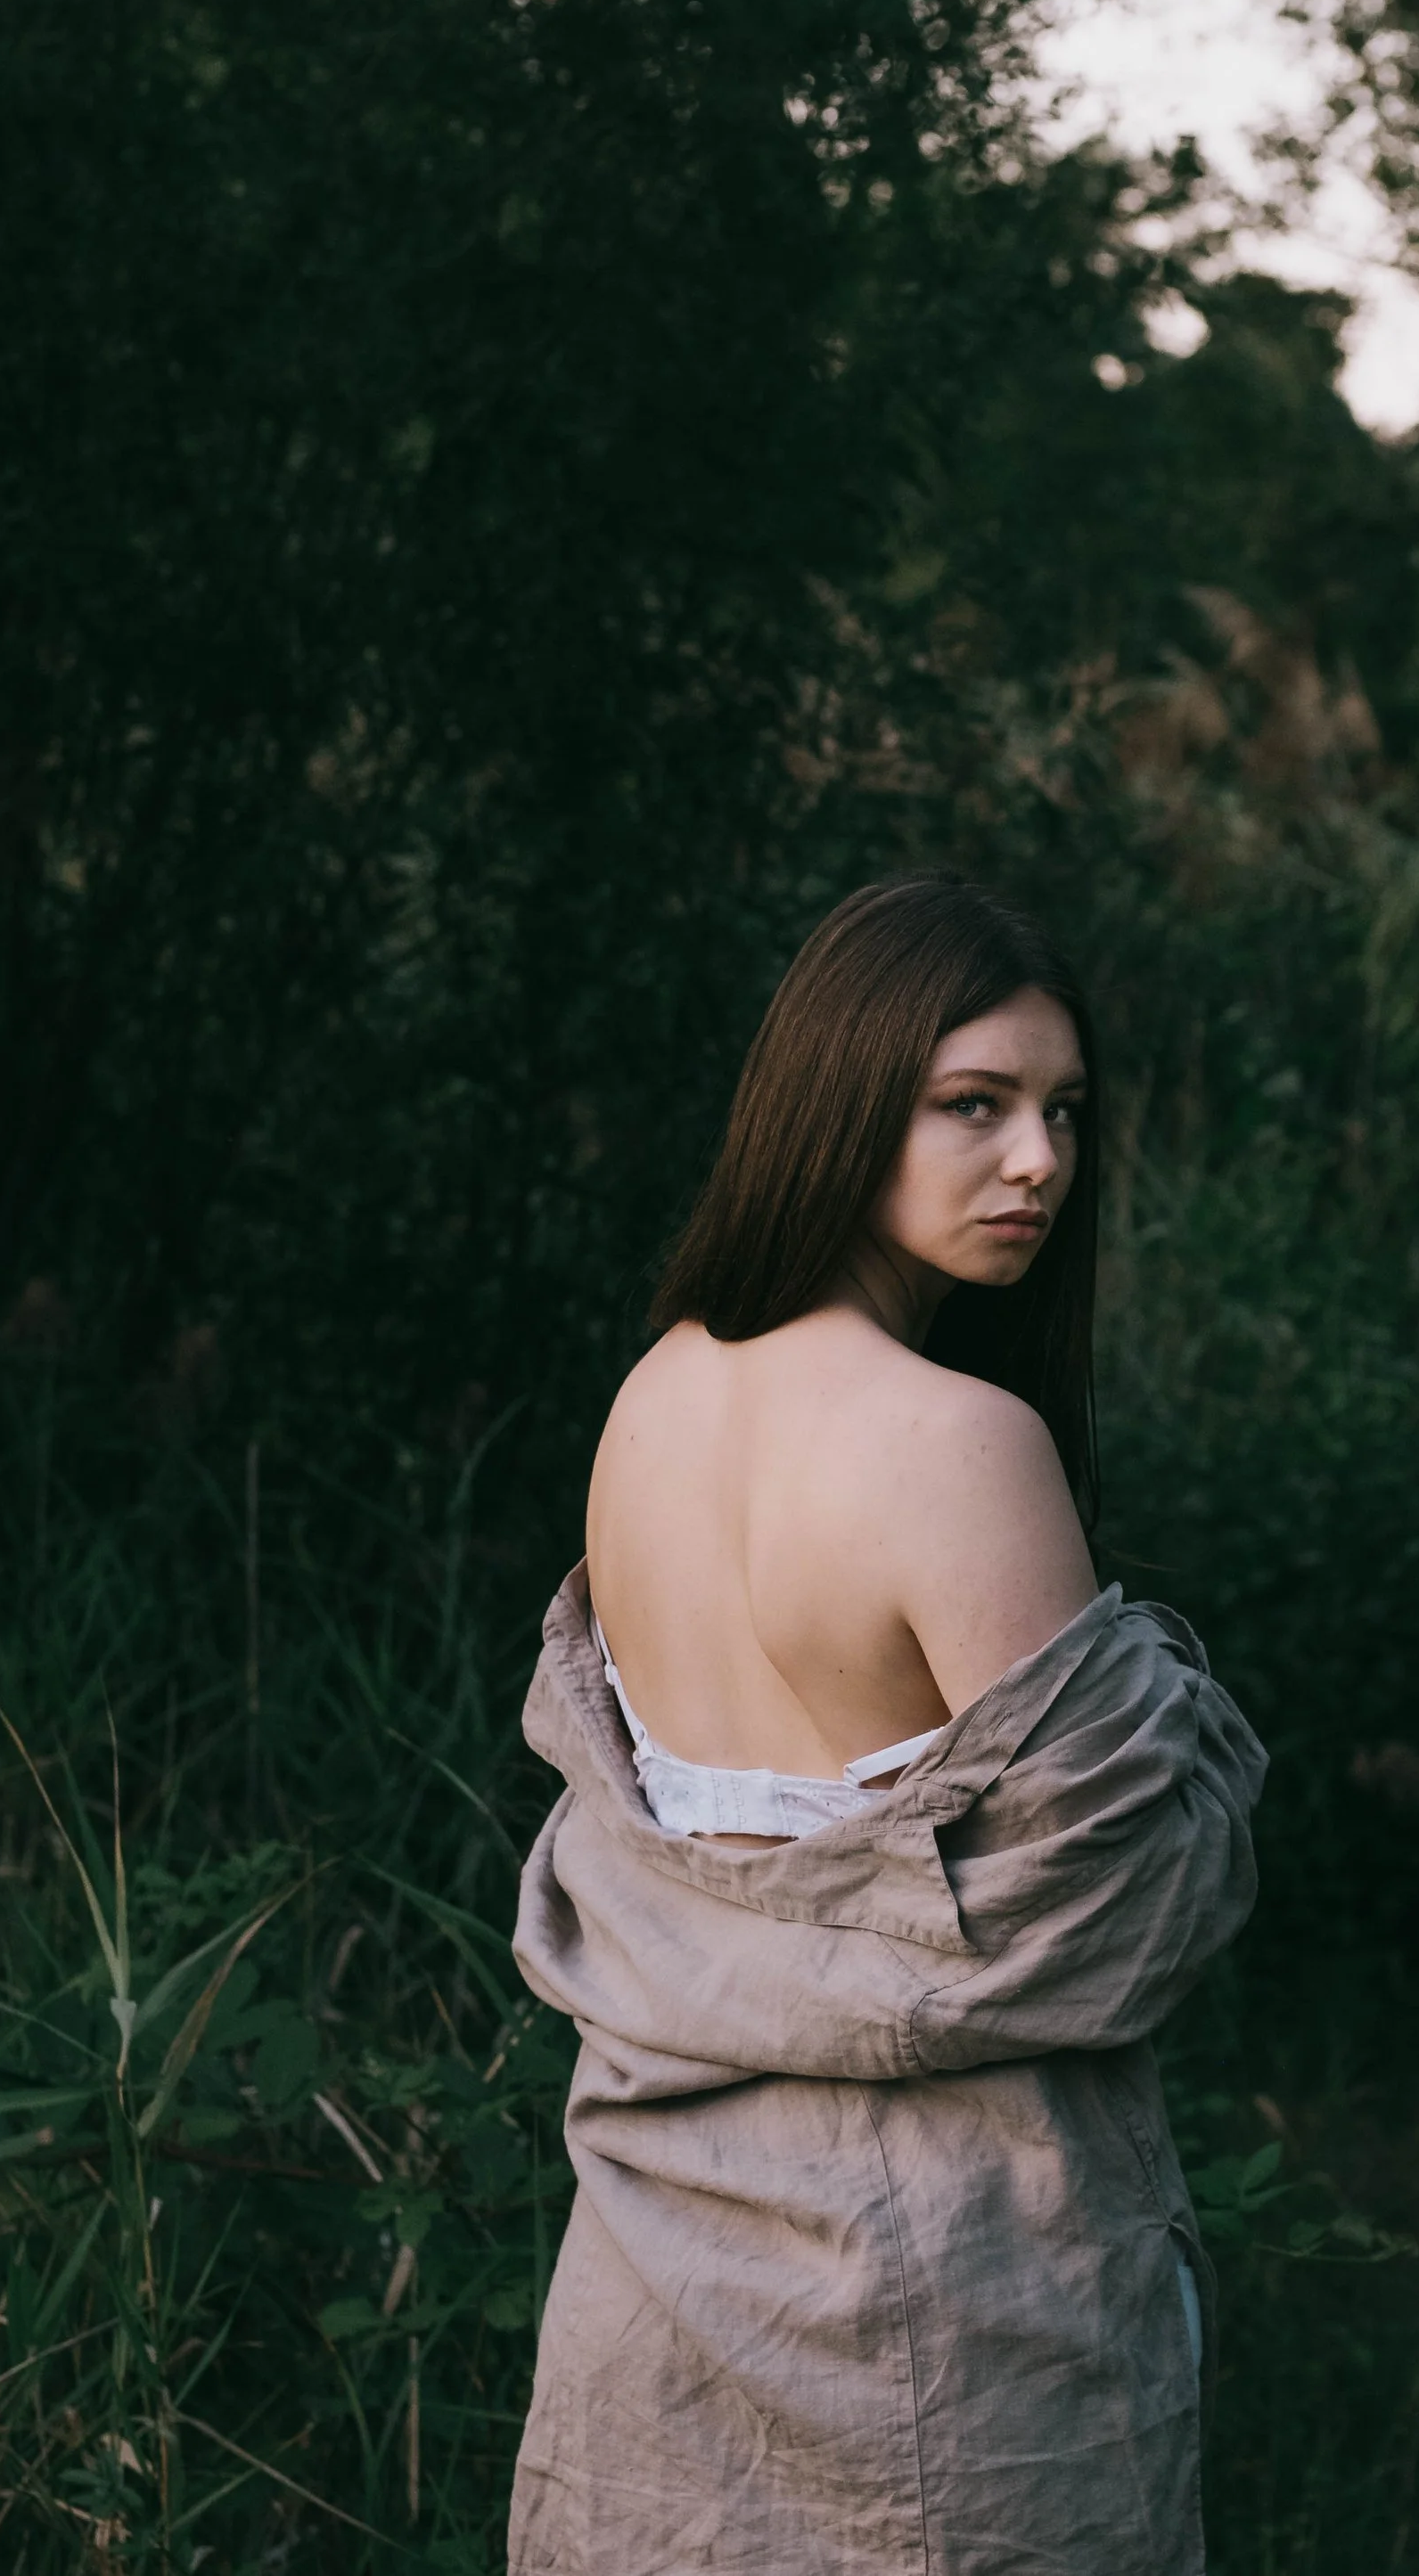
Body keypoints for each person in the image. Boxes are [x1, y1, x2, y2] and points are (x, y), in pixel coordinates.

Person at [509, 871, 1267, 2576]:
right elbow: (1135, 1905)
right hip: (940, 2293)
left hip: (653, 2277)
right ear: (842, 1098)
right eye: (973, 1105)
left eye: (1064, 1111)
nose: (1041, 1164)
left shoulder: (659, 1392)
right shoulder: (955, 1444)